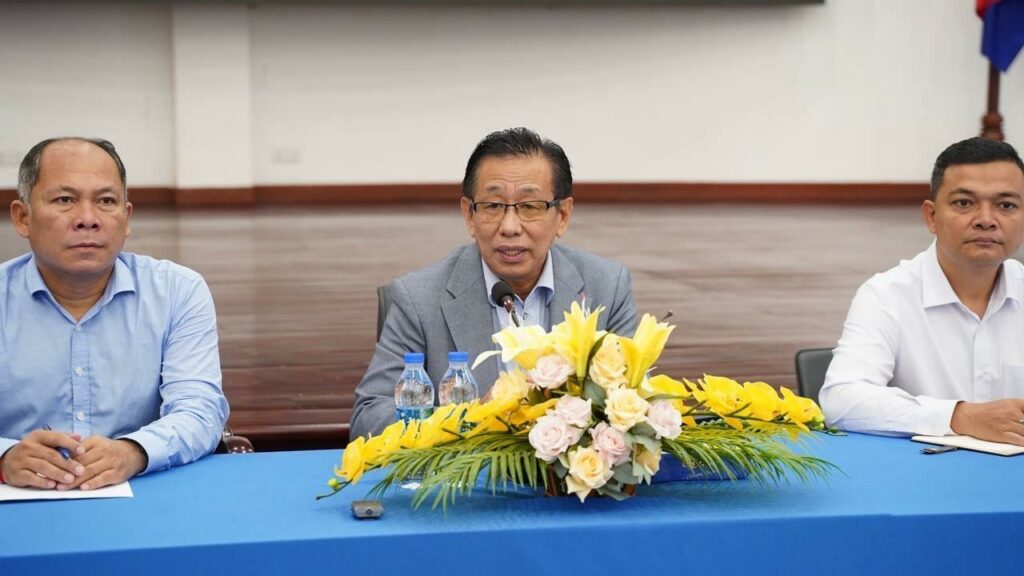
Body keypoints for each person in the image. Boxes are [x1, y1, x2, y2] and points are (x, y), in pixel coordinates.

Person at [350, 127, 638, 439]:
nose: (510, 227)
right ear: (469, 216)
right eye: (493, 206)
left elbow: (634, 403)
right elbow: (369, 416)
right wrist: (472, 421)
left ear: (563, 216)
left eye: (530, 206)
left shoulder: (605, 287)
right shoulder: (418, 299)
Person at [0, 137, 229, 490]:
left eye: (106, 201)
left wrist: (133, 451)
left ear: (126, 218)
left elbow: (200, 411)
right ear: (23, 217)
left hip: (144, 492)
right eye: (65, 200)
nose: (87, 219)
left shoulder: (177, 291)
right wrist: (6, 457)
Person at [820, 137, 1024, 446]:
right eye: (964, 203)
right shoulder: (887, 295)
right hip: (921, 469)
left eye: (1006, 205)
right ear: (931, 217)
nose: (986, 220)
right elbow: (842, 400)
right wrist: (960, 417)